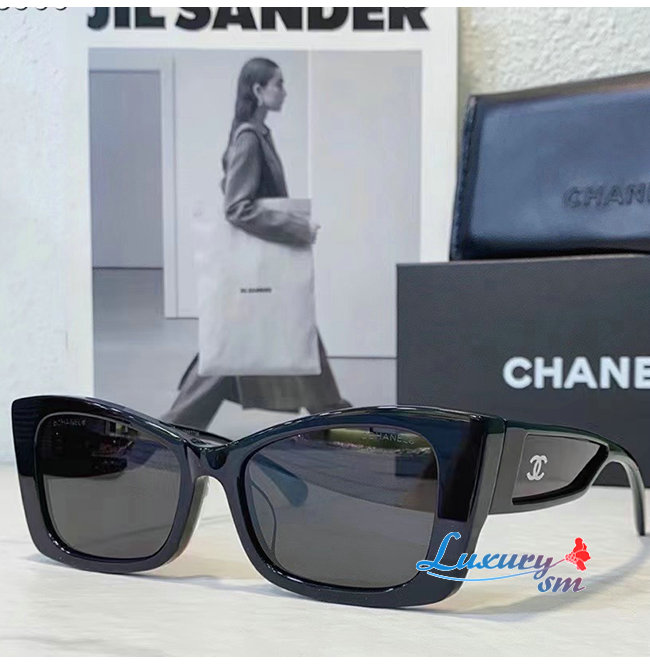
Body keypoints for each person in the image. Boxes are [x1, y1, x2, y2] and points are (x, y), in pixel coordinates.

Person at [161, 57, 351, 430]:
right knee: (237, 352)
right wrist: (296, 227)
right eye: (279, 83)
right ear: (258, 90)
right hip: (260, 269)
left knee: (283, 339)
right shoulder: (249, 138)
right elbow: (237, 207)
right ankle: (167, 431)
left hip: (263, 268)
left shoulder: (257, 134)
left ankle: (332, 417)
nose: (285, 91)